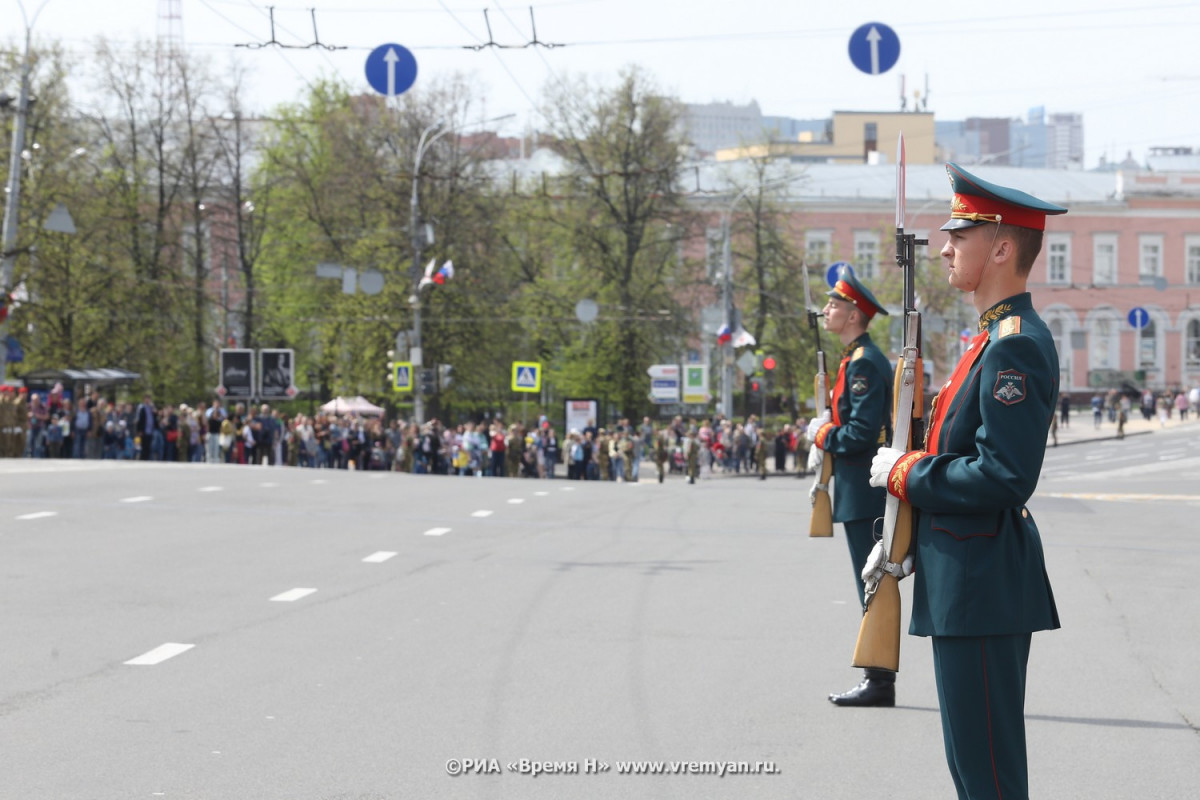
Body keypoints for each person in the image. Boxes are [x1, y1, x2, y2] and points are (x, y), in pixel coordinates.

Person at [869, 162, 1064, 800]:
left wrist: (907, 474)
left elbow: (1004, 476)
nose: (945, 247)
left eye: (961, 234)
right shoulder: (988, 340)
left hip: (981, 585)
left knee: (989, 778)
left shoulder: (1013, 345)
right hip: (965, 580)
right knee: (972, 768)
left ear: (1002, 248)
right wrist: (901, 532)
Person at [806, 266, 895, 707]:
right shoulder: (854, 360)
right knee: (870, 582)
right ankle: (876, 677)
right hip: (859, 490)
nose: (826, 310)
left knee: (872, 584)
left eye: (834, 305)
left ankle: (879, 681)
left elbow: (860, 432)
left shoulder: (864, 363)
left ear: (855, 314)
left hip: (865, 491)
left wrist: (822, 434)